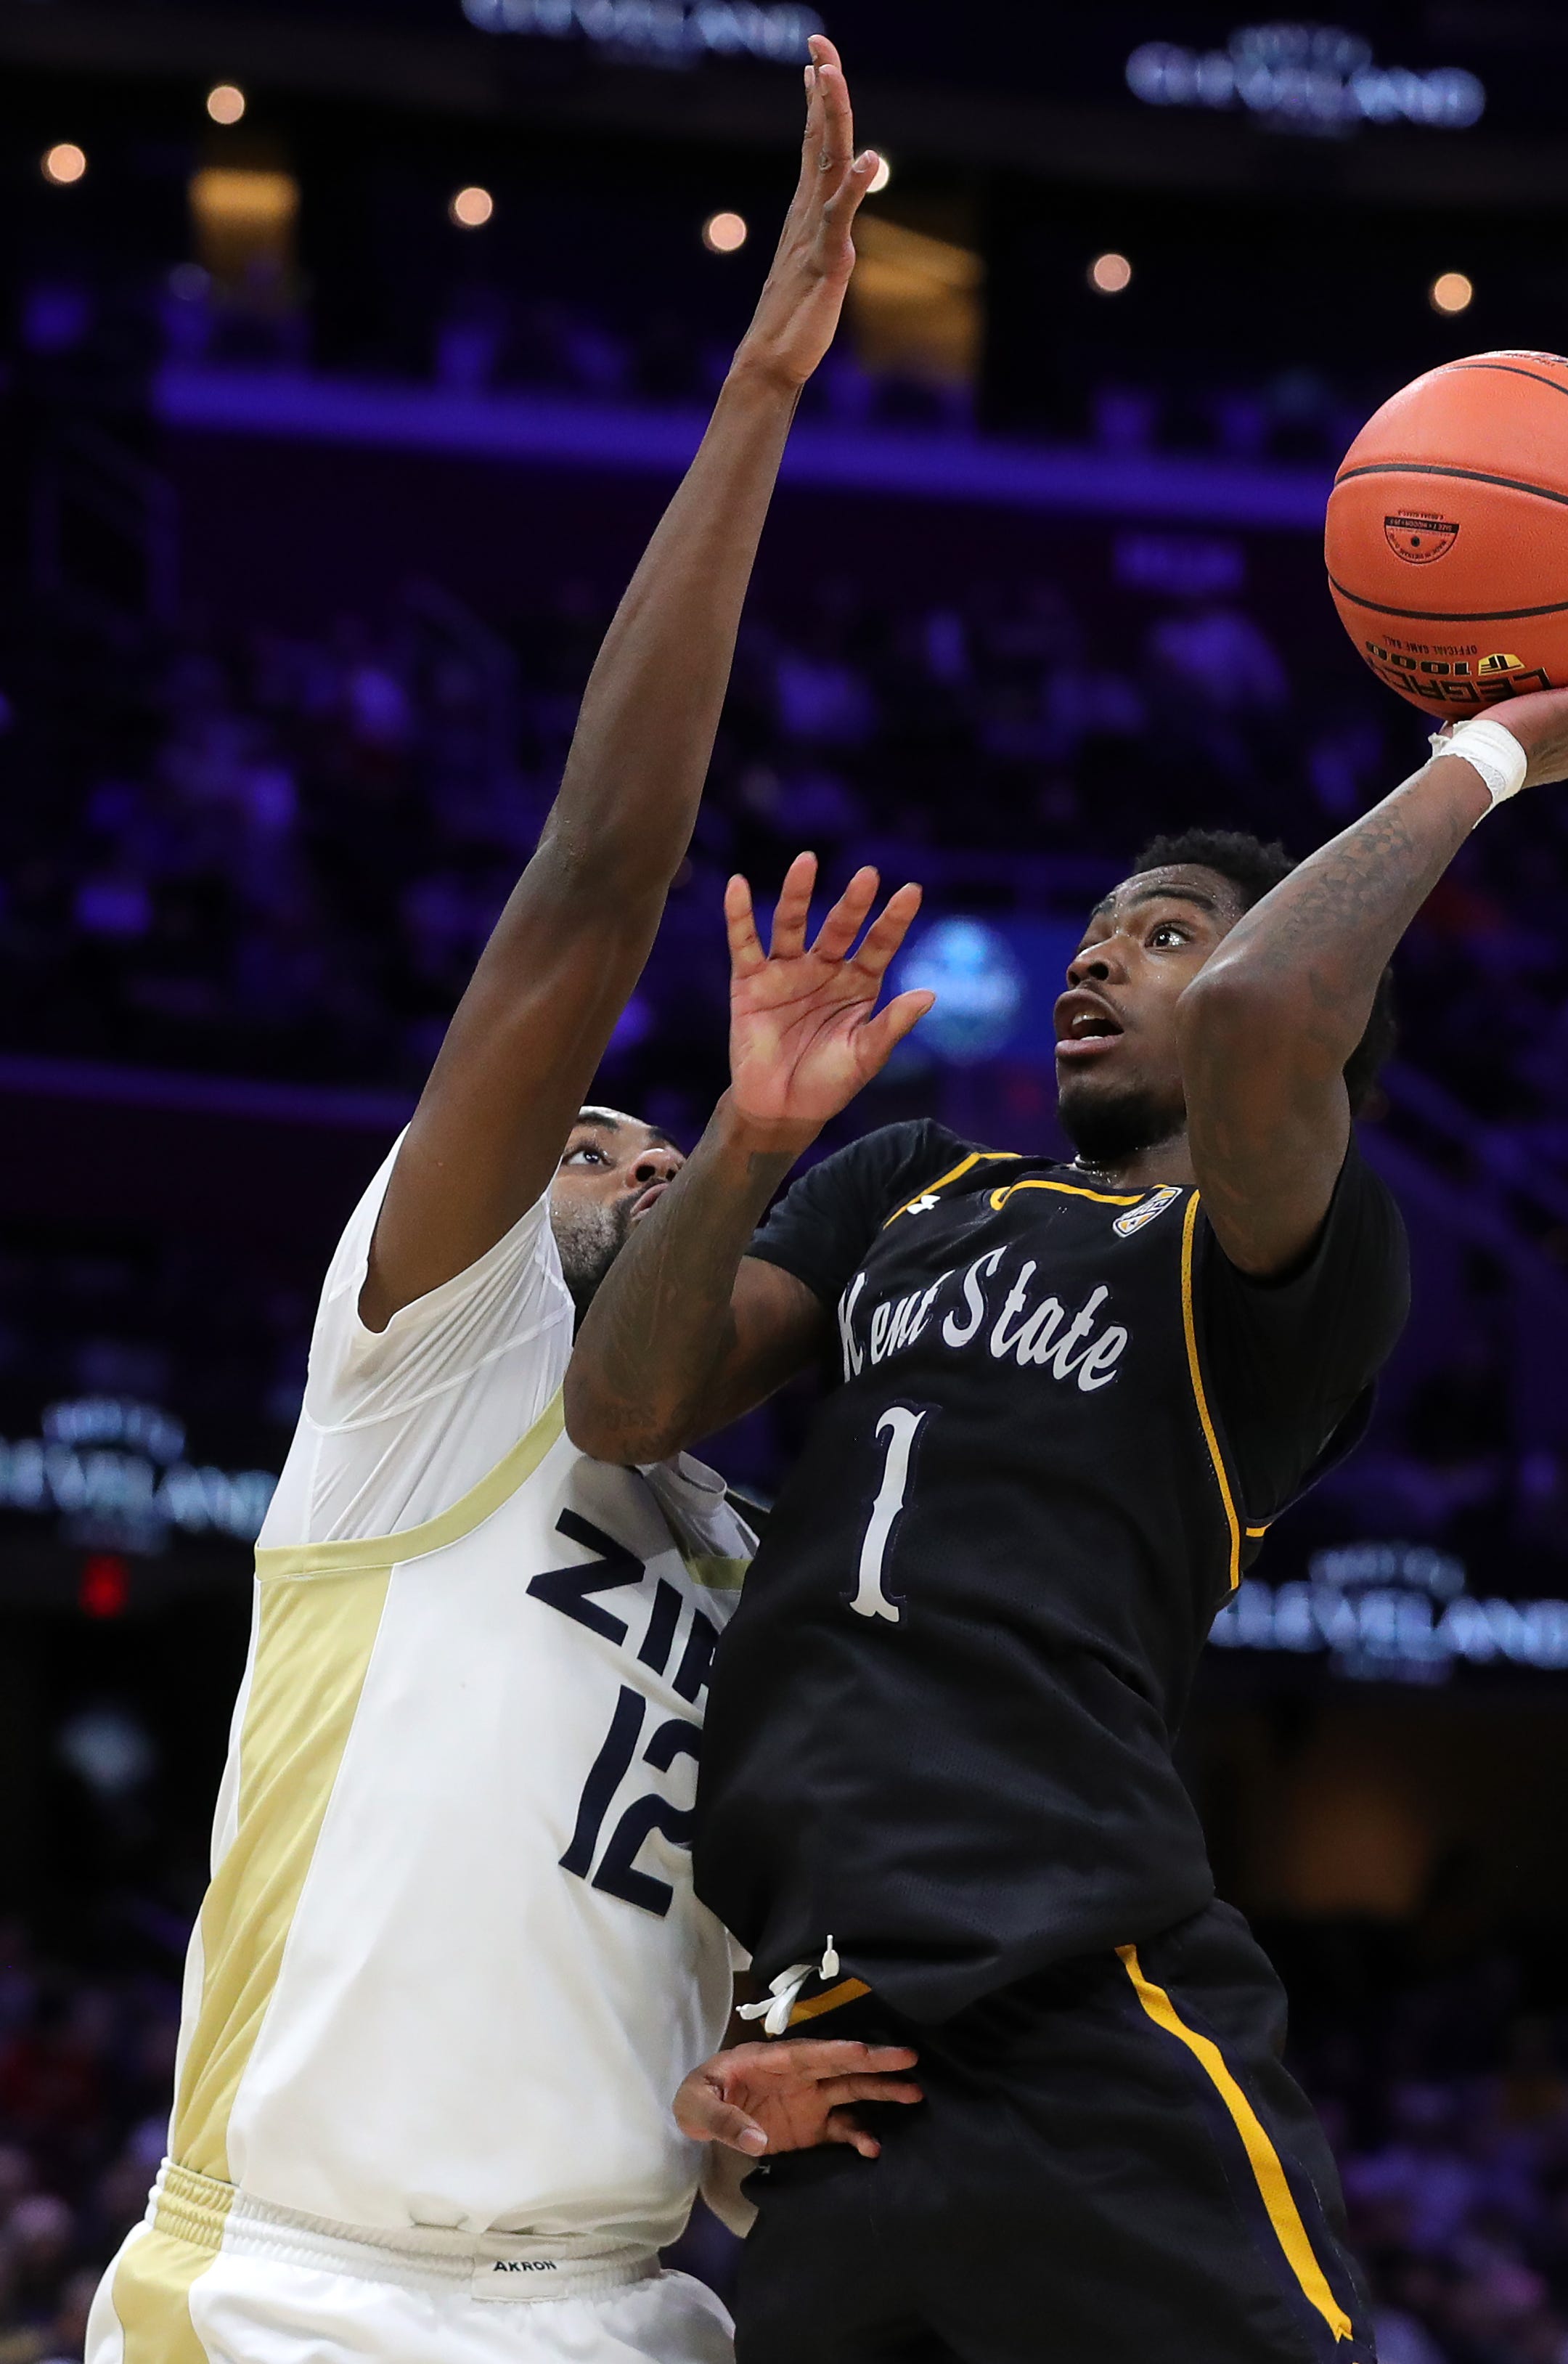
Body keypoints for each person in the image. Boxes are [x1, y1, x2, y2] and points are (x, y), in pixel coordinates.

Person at [569, 628, 1568, 2364]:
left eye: (1164, 929)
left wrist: (1491, 757)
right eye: (1101, 925)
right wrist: (751, 1127)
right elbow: (630, 1397)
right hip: (822, 2060)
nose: (1101, 950)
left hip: (1077, 2004)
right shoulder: (911, 1177)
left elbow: (1263, 1021)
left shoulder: (1284, 1271)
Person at [88, 41, 918, 2364]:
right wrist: (761, 392)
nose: (627, 1156)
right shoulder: (426, 1367)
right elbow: (591, 883)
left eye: (665, 1164)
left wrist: (756, 2107)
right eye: (592, 1145)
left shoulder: (753, 1559)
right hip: (301, 2303)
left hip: (632, 2309)